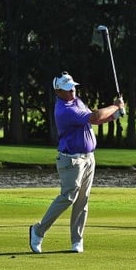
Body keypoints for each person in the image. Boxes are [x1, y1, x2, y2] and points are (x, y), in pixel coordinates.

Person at [29, 71, 124, 253]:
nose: (72, 90)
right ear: (58, 91)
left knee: (83, 200)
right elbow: (95, 116)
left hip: (88, 158)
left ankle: (77, 241)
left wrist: (116, 114)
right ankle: (38, 231)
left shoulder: (77, 101)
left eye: (72, 87)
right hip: (71, 160)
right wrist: (115, 106)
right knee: (68, 198)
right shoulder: (65, 110)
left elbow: (95, 121)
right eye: (67, 89)